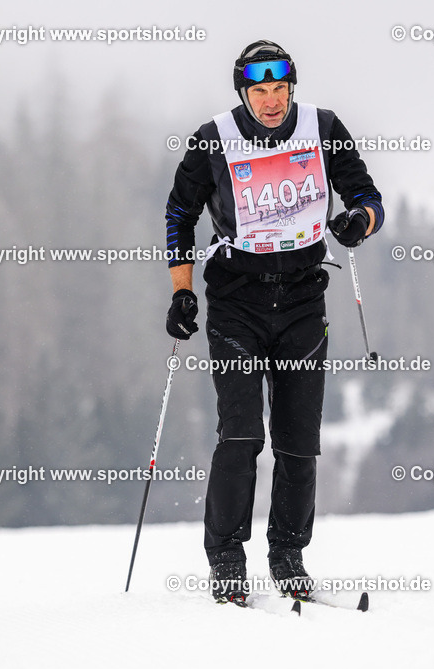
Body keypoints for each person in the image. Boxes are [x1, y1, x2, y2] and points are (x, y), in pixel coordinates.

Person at [164, 40, 384, 604]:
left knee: (298, 442)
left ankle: (288, 556)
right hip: (236, 303)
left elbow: (368, 196)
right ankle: (226, 562)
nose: (271, 101)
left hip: (304, 302)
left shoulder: (323, 128)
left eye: (279, 89)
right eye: (259, 90)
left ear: (292, 88)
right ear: (244, 93)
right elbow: (180, 213)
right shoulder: (213, 138)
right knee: (241, 435)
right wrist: (182, 293)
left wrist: (359, 220)